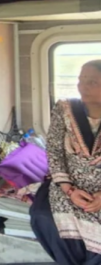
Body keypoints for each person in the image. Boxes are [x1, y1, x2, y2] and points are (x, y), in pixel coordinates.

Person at [31, 60, 101, 265]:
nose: (83, 87)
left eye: (92, 82)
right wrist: (69, 190)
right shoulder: (64, 109)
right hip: (68, 184)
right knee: (43, 217)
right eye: (80, 80)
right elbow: (54, 150)